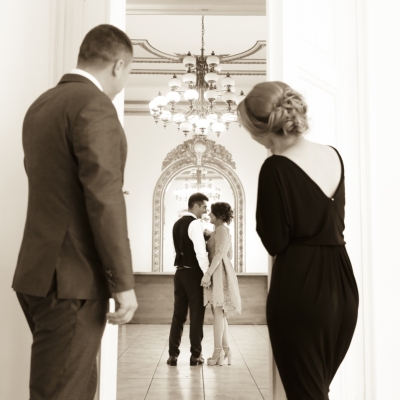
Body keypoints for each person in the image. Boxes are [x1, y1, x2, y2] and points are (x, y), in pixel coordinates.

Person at [12, 24, 138, 400]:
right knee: (64, 392)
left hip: (38, 274)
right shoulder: (94, 105)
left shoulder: (42, 104)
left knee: (75, 387)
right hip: (72, 278)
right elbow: (104, 198)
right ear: (118, 65)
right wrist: (123, 283)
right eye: (129, 71)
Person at [237, 81, 359, 399]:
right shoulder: (333, 155)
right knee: (317, 390)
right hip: (343, 287)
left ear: (260, 129)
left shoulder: (275, 168)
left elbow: (275, 242)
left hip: (300, 288)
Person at [167, 192, 209, 366]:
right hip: (194, 274)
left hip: (179, 274)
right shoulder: (195, 224)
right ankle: (195, 355)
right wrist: (207, 274)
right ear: (196, 205)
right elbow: (200, 252)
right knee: (197, 315)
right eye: (204, 207)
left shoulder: (176, 224)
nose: (206, 210)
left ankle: (172, 355)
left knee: (178, 315)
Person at [201, 202, 242, 366]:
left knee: (218, 312)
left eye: (211, 213)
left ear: (218, 216)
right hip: (221, 270)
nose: (209, 215)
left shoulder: (221, 230)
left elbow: (219, 255)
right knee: (220, 312)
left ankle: (218, 351)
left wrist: (208, 274)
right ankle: (226, 349)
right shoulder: (222, 230)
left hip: (218, 273)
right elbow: (229, 254)